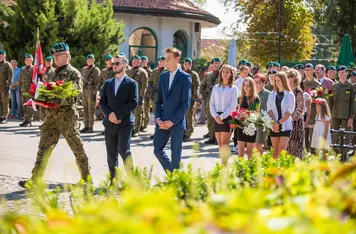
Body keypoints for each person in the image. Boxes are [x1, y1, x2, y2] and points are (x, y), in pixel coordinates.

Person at [19, 43, 91, 188]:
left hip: (67, 117)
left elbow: (75, 95)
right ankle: (35, 180)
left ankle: (86, 179)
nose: (56, 58)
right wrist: (39, 97)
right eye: (54, 56)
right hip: (51, 117)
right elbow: (45, 90)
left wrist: (57, 99)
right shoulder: (51, 73)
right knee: (43, 148)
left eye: (59, 55)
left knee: (77, 148)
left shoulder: (74, 74)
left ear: (68, 56)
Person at [153, 47, 192, 173]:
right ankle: (172, 174)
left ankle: (175, 182)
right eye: (165, 58)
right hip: (162, 121)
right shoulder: (163, 77)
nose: (166, 61)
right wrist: (158, 118)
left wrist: (172, 121)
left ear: (177, 58)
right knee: (157, 150)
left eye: (169, 58)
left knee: (176, 155)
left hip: (177, 122)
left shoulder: (185, 77)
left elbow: (185, 104)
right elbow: (158, 101)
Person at [100, 57, 138, 181]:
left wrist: (117, 115)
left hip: (125, 123)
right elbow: (102, 102)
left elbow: (133, 103)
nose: (114, 66)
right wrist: (110, 115)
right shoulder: (108, 83)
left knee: (124, 150)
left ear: (125, 65)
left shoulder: (132, 83)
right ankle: (114, 181)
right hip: (109, 124)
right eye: (113, 64)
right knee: (111, 155)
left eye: (117, 63)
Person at [210, 65, 238, 165]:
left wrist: (221, 117)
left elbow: (233, 105)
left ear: (231, 74)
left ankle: (224, 166)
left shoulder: (233, 88)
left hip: (227, 117)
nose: (225, 74)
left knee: (225, 144)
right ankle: (223, 166)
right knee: (220, 144)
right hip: (216, 117)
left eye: (227, 72)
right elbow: (211, 103)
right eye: (223, 72)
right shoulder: (216, 87)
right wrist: (215, 116)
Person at [267, 72, 295, 158]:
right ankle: (274, 170)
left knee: (282, 152)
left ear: (284, 81)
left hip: (285, 126)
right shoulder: (272, 94)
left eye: (279, 80)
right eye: (276, 81)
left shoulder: (289, 94)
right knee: (275, 152)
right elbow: (269, 109)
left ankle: (282, 170)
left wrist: (279, 123)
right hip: (274, 126)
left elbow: (290, 111)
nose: (277, 83)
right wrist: (274, 123)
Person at [329, 65, 355, 145]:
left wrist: (351, 117)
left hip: (346, 115)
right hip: (335, 115)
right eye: (339, 73)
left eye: (343, 72)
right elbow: (330, 101)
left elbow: (353, 103)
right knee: (335, 135)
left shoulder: (351, 87)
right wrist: (330, 114)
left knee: (347, 135)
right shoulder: (334, 86)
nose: (341, 74)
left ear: (347, 73)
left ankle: (345, 153)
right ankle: (336, 153)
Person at [236, 77, 260, 159]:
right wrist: (237, 122)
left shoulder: (256, 99)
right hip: (241, 127)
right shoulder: (239, 98)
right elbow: (238, 112)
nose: (246, 87)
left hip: (251, 127)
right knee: (240, 153)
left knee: (250, 153)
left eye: (248, 85)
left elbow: (257, 113)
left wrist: (248, 114)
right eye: (244, 85)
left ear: (252, 86)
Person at [200, 57, 222, 144]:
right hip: (209, 100)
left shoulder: (223, 74)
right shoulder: (208, 75)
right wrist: (204, 93)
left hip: (219, 101)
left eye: (218, 63)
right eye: (214, 63)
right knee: (209, 118)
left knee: (218, 119)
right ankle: (212, 136)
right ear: (212, 64)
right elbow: (202, 85)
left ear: (220, 64)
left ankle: (218, 138)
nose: (216, 65)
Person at [126, 55, 148, 137]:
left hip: (137, 95)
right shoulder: (128, 71)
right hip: (128, 96)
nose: (133, 62)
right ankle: (130, 129)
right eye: (133, 61)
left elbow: (144, 86)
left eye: (135, 61)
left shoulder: (142, 72)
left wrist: (141, 97)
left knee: (138, 113)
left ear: (139, 62)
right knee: (129, 113)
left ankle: (136, 130)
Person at [286, 69, 305, 159]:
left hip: (296, 123)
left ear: (295, 79)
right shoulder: (285, 91)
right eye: (288, 76)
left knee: (296, 146)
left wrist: (292, 118)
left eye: (291, 77)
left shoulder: (298, 91)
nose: (289, 78)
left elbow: (300, 107)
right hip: (285, 121)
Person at [302, 63, 321, 152]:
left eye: (309, 70)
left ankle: (313, 152)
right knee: (303, 132)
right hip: (302, 111)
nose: (307, 72)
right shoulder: (301, 83)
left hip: (313, 111)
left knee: (312, 133)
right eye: (305, 70)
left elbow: (321, 99)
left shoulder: (317, 84)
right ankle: (304, 151)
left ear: (313, 71)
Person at [80, 54, 101, 133]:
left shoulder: (96, 70)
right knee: (85, 109)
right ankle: (85, 125)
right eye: (88, 59)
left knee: (91, 109)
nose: (89, 61)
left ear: (94, 60)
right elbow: (81, 80)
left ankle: (90, 126)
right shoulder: (84, 69)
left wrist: (95, 93)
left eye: (91, 59)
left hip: (92, 91)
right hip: (84, 91)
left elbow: (98, 82)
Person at [149, 56, 167, 139]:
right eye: (160, 61)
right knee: (156, 114)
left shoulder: (167, 71)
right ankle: (157, 131)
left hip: (164, 96)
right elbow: (150, 81)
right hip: (155, 96)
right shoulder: (154, 71)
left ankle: (164, 131)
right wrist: (150, 90)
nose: (161, 62)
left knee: (164, 114)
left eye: (163, 61)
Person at [183, 58, 200, 142]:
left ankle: (188, 132)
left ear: (190, 65)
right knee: (182, 115)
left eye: (187, 64)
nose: (186, 66)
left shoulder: (193, 75)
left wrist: (194, 98)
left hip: (190, 98)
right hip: (181, 98)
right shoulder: (181, 73)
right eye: (185, 64)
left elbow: (196, 87)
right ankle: (183, 131)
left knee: (189, 115)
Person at [254, 73, 270, 155]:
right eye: (255, 82)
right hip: (252, 121)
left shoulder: (267, 94)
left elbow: (270, 109)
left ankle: (260, 162)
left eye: (259, 82)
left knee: (258, 144)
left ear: (263, 83)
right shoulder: (251, 93)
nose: (256, 84)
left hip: (262, 122)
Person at [19, 54, 34, 127]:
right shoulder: (22, 69)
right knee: (24, 105)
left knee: (29, 106)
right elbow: (20, 80)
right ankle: (25, 120)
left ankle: (29, 121)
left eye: (28, 59)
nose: (26, 60)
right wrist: (19, 87)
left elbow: (35, 81)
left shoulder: (34, 69)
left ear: (31, 60)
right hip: (23, 89)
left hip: (30, 90)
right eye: (25, 59)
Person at [0, 50, 13, 124]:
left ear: (4, 56)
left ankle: (4, 117)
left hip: (5, 86)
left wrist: (9, 85)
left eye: (2, 55)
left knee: (5, 102)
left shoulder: (7, 64)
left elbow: (10, 76)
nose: (0, 57)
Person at [141, 56, 153, 132]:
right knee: (139, 110)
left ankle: (145, 125)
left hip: (147, 94)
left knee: (146, 110)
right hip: (140, 93)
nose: (143, 62)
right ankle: (139, 124)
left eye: (144, 61)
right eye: (142, 61)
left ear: (147, 62)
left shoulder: (150, 72)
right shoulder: (138, 71)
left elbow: (151, 83)